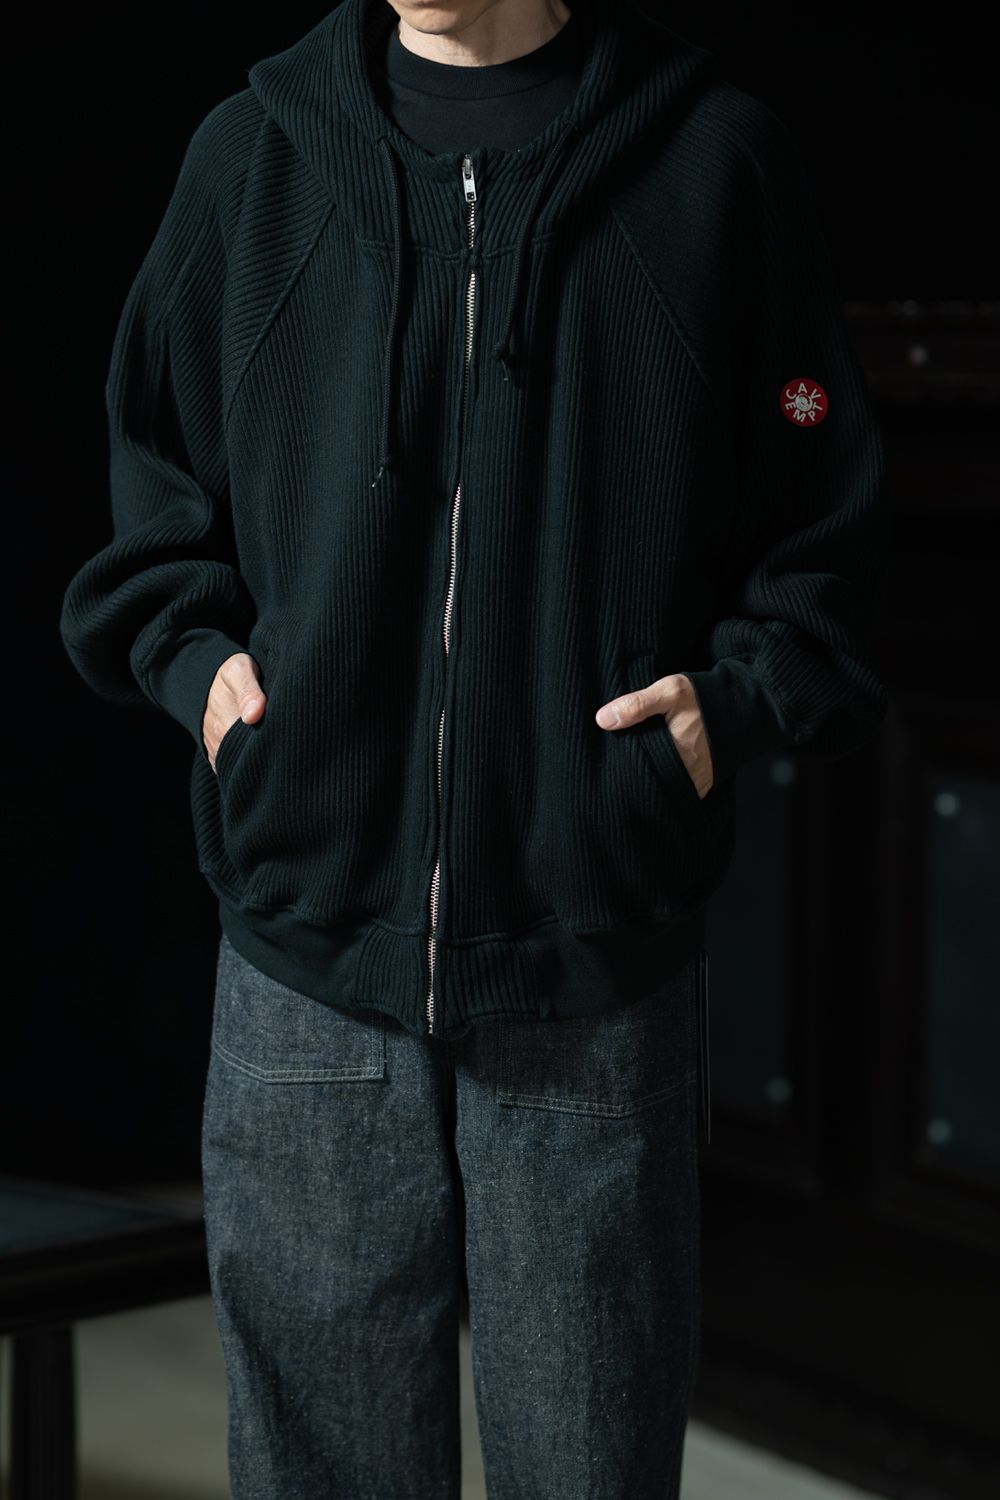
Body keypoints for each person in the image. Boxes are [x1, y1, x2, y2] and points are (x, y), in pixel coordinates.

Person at [58, 0, 890, 1494]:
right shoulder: (253, 160)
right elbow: (152, 464)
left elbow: (824, 508)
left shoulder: (712, 166)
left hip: (591, 953)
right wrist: (196, 666)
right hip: (306, 950)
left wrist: (731, 702)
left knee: (589, 1463)